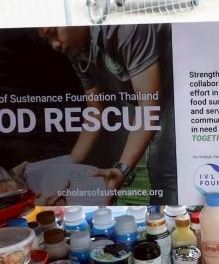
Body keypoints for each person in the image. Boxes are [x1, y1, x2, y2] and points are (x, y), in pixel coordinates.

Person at [35, 25, 177, 202]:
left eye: (54, 33)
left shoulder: (122, 27)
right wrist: (64, 168)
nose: (54, 45)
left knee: (164, 167)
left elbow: (148, 104)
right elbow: (95, 113)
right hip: (152, 100)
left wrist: (121, 170)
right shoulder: (78, 50)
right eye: (47, 40)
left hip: (179, 88)